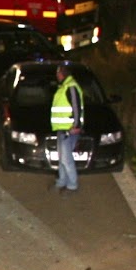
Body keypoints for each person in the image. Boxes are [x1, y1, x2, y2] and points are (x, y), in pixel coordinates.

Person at [50, 63, 84, 193]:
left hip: (69, 129)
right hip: (62, 128)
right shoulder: (64, 86)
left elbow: (76, 108)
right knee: (62, 158)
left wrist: (76, 126)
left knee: (66, 159)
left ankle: (72, 185)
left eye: (57, 73)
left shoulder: (71, 87)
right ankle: (62, 181)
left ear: (62, 73)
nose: (56, 76)